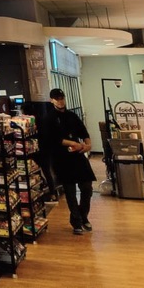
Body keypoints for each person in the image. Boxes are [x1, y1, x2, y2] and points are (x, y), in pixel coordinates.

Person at [47, 88, 95, 234]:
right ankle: (77, 222)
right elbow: (54, 139)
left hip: (78, 156)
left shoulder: (72, 116)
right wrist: (73, 143)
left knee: (87, 187)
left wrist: (88, 145)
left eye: (62, 98)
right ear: (51, 100)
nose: (60, 101)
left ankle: (83, 215)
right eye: (57, 99)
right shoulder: (49, 118)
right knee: (70, 192)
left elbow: (84, 132)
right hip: (62, 158)